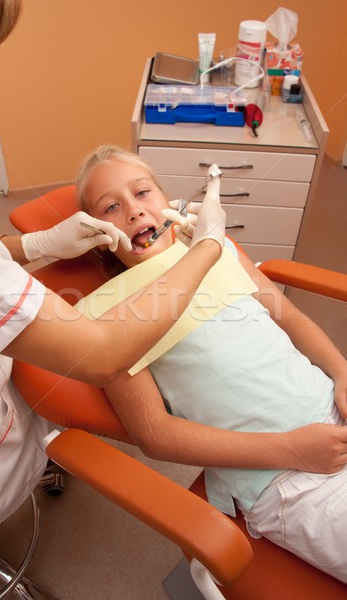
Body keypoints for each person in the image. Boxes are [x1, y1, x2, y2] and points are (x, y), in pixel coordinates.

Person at [0, 0, 227, 534]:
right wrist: (211, 247)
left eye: (143, 192)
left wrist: (38, 244)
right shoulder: (108, 304)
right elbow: (124, 388)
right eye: (110, 207)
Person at [75, 144, 347, 583]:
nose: (133, 211)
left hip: (334, 411)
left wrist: (342, 372)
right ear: (92, 233)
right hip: (284, 481)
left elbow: (290, 317)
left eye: (143, 192)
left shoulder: (217, 249)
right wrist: (293, 448)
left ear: (169, 203)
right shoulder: (109, 314)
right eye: (111, 206)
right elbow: (155, 435)